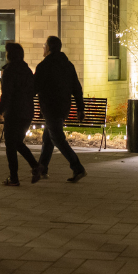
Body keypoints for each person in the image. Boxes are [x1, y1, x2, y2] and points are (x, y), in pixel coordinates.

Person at [33, 35, 87, 182]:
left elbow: (34, 87)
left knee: (57, 138)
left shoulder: (43, 66)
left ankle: (78, 168)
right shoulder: (68, 65)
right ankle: (42, 168)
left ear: (49, 48)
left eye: (44, 45)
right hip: (63, 107)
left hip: (50, 107)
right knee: (49, 138)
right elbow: (77, 88)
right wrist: (80, 108)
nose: (43, 48)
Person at [0, 42, 41, 186]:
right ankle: (35, 166)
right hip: (27, 111)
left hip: (14, 111)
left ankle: (14, 177)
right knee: (17, 143)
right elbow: (33, 90)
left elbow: (7, 94)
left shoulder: (9, 71)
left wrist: (0, 110)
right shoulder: (27, 70)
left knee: (11, 145)